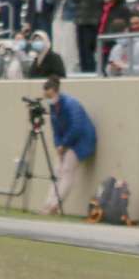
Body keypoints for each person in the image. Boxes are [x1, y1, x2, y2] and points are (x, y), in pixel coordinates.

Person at [37, 75, 96, 216]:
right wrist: (58, 146)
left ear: (56, 91)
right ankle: (47, 204)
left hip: (82, 140)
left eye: (50, 95)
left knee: (67, 170)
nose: (48, 98)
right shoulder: (53, 107)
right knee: (57, 170)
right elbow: (55, 129)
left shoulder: (71, 104)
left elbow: (77, 126)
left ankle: (55, 205)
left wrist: (64, 144)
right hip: (66, 142)